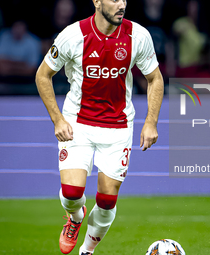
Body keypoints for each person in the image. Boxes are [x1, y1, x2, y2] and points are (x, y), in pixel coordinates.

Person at [35, 0, 164, 254]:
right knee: (72, 193)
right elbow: (43, 75)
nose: (122, 4)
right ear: (97, 2)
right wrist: (58, 119)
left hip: (118, 126)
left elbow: (155, 78)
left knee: (106, 200)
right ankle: (74, 218)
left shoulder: (138, 36)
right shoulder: (73, 35)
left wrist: (151, 122)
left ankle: (87, 251)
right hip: (78, 122)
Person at [0, 19, 41, 84]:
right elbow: (0, 69)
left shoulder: (34, 42)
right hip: (4, 80)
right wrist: (23, 64)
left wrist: (9, 65)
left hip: (27, 81)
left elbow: (31, 70)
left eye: (20, 27)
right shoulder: (4, 36)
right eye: (16, 27)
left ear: (25, 28)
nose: (18, 30)